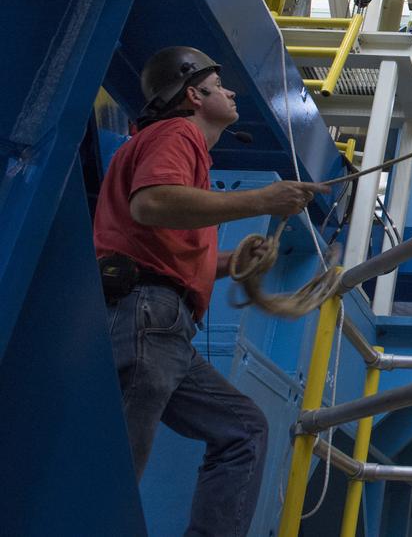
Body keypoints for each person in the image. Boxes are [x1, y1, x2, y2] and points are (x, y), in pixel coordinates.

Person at [95, 46, 327, 537]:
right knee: (112, 467)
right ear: (194, 95)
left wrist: (231, 263)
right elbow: (151, 204)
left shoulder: (181, 151)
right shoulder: (177, 133)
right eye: (220, 85)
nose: (231, 90)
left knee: (244, 429)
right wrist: (263, 199)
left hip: (164, 325)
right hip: (148, 317)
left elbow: (168, 254)